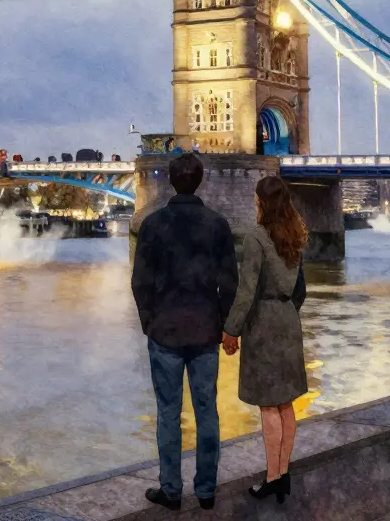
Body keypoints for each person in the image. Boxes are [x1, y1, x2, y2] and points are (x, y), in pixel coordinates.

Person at [131, 153, 237, 511]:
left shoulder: (152, 224)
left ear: (171, 181)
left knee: (168, 412)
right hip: (206, 331)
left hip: (166, 331)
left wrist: (149, 321)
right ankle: (206, 490)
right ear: (201, 180)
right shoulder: (218, 225)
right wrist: (225, 325)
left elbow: (140, 281)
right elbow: (230, 283)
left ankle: (171, 489)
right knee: (207, 411)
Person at [222, 175, 309, 505]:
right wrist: (287, 310)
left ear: (263, 203)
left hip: (265, 324)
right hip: (289, 320)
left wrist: (231, 330)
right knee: (286, 403)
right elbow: (301, 289)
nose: (255, 203)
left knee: (269, 406)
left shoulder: (256, 238)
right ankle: (283, 473)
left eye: (257, 199)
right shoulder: (296, 234)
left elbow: (246, 292)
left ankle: (272, 477)